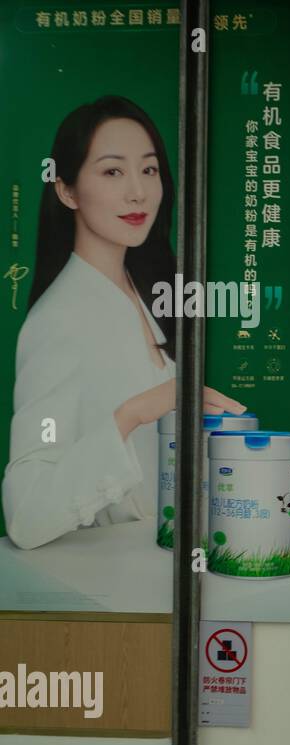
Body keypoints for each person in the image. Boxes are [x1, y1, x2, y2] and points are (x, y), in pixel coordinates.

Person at [3, 96, 244, 550]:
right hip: (105, 597)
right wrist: (130, 415)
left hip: (164, 576)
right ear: (66, 189)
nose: (138, 191)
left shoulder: (148, 294)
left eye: (149, 170)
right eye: (113, 171)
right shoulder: (57, 322)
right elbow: (26, 512)